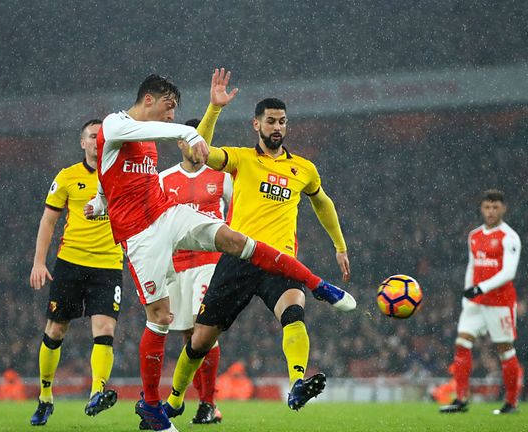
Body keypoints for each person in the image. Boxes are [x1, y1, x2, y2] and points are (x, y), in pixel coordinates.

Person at [85, 70, 354, 432]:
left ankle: (319, 286)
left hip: (169, 215)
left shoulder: (301, 168)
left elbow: (111, 172)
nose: (171, 116)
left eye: (174, 112)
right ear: (149, 99)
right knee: (164, 321)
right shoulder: (115, 123)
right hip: (140, 235)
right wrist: (188, 130)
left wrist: (101, 199)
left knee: (233, 238)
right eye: (169, 108)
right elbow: (122, 154)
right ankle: (153, 406)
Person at [165, 95, 352, 416]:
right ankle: (175, 399)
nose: (277, 127)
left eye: (281, 122)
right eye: (270, 121)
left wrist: (340, 245)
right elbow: (201, 151)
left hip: (281, 262)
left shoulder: (303, 169)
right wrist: (215, 108)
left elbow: (323, 202)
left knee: (293, 313)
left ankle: (297, 383)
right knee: (199, 342)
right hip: (239, 259)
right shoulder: (240, 159)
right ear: (256, 124)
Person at [29, 119, 123, 426]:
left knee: (105, 330)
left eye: (102, 138)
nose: (98, 142)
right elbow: (48, 221)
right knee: (56, 331)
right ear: (82, 143)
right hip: (71, 263)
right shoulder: (67, 177)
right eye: (92, 137)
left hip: (108, 264)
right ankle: (45, 396)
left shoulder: (121, 175)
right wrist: (39, 262)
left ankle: (97, 392)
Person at [141, 118, 231, 428]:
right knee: (187, 336)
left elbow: (236, 214)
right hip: (177, 266)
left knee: (203, 329)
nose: (200, 147)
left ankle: (208, 402)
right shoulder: (165, 179)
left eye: (204, 142)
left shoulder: (221, 178)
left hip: (211, 262)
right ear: (181, 144)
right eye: (193, 141)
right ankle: (197, 401)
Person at [440, 189, 522, 415]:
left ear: (503, 208)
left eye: (495, 207)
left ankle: (511, 403)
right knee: (462, 343)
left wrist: (481, 288)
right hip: (476, 302)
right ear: (481, 208)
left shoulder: (510, 237)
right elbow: (472, 266)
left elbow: (509, 272)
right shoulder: (474, 236)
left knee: (505, 350)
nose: (491, 211)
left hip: (500, 303)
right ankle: (461, 398)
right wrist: (468, 294)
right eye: (487, 207)